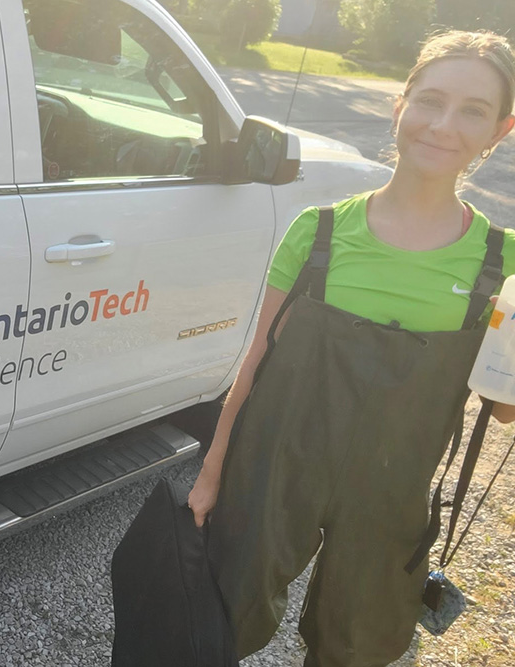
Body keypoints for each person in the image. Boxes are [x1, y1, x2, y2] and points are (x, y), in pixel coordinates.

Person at [187, 30, 515, 667]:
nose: (443, 125)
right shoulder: (318, 234)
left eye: (473, 111)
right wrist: (211, 472)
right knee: (218, 620)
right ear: (400, 105)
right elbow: (253, 366)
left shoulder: (503, 263)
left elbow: (503, 408)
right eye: (430, 100)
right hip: (275, 468)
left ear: (500, 132)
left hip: (392, 493)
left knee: (356, 646)